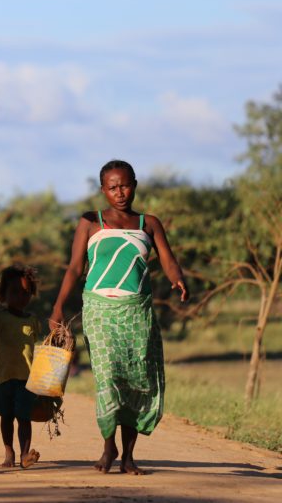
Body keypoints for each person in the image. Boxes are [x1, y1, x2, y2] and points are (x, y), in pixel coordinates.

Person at [49, 160, 187, 476]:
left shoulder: (148, 223)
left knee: (135, 381)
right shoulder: (90, 222)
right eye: (112, 187)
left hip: (137, 312)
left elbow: (167, 260)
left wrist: (177, 278)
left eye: (124, 185)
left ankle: (127, 456)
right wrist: (58, 307)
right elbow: (74, 268)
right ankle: (108, 445)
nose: (119, 192)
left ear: (134, 184)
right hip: (98, 310)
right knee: (109, 376)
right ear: (103, 190)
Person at [0, 264, 42, 469]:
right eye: (15, 292)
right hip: (4, 376)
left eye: (26, 293)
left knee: (24, 417)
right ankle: (8, 451)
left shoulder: (33, 320)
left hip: (27, 378)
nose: (21, 297)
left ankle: (25, 454)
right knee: (7, 417)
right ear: (3, 294)